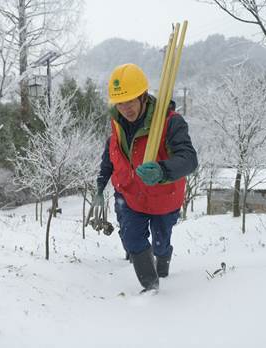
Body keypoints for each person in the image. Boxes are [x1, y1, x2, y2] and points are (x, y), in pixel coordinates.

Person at [94, 63, 198, 293]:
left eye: (130, 100)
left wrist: (162, 170)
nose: (125, 108)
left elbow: (189, 159)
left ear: (143, 96)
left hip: (163, 197)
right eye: (120, 102)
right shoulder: (117, 124)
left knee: (161, 245)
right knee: (132, 240)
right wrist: (100, 186)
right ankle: (151, 290)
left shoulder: (170, 122)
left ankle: (162, 261)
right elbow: (110, 155)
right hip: (130, 196)